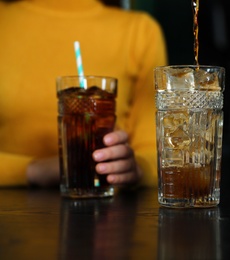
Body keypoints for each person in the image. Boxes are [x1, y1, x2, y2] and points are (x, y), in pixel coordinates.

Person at [0, 0, 168, 188]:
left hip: (110, 205)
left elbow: (156, 152)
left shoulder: (141, 31)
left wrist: (136, 168)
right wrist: (36, 170)